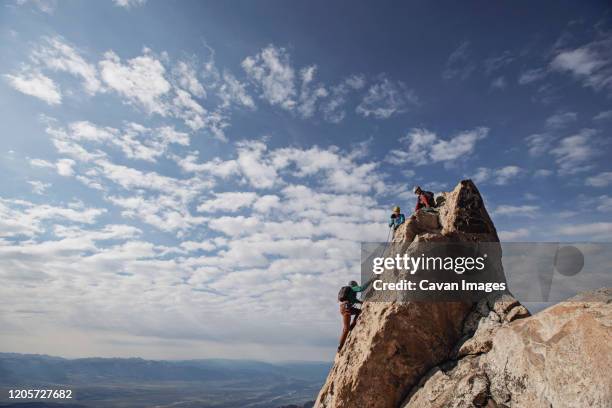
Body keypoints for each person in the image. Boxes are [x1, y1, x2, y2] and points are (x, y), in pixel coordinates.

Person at [337, 279, 371, 352]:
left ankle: (352, 325)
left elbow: (353, 299)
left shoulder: (348, 292)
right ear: (354, 285)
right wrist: (371, 280)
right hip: (347, 307)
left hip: (342, 308)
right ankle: (340, 347)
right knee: (346, 328)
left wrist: (360, 302)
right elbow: (362, 288)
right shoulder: (352, 288)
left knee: (358, 311)